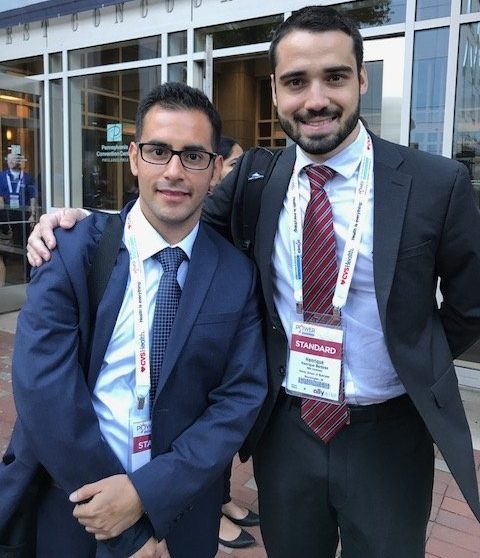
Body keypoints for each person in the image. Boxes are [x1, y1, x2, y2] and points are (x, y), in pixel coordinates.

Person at [26, 6, 480, 558]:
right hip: (287, 433)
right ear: (275, 90)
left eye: (335, 76)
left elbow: (470, 306)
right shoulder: (253, 180)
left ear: (362, 79)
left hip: (388, 433)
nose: (315, 99)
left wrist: (412, 354)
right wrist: (79, 224)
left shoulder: (436, 184)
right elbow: (171, 210)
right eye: (296, 81)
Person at [0, 82, 267, 558]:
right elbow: (43, 391)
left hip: (179, 514)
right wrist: (123, 525)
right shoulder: (71, 249)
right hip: (73, 507)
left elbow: (239, 399)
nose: (173, 171)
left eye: (193, 156)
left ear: (216, 170)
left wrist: (147, 494)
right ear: (134, 158)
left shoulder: (236, 274)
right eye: (158, 151)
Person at [215, 136, 260, 550]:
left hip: (242, 331)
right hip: (213, 335)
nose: (243, 173)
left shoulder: (244, 207)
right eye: (234, 165)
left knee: (231, 424)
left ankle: (223, 498)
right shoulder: (198, 214)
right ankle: (208, 511)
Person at [0, 152, 37, 245]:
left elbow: (32, 197)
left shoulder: (27, 178)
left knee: (23, 240)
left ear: (19, 161)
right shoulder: (2, 176)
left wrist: (33, 215)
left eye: (13, 159)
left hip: (23, 214)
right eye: (9, 159)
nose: (11, 161)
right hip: (8, 214)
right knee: (9, 239)